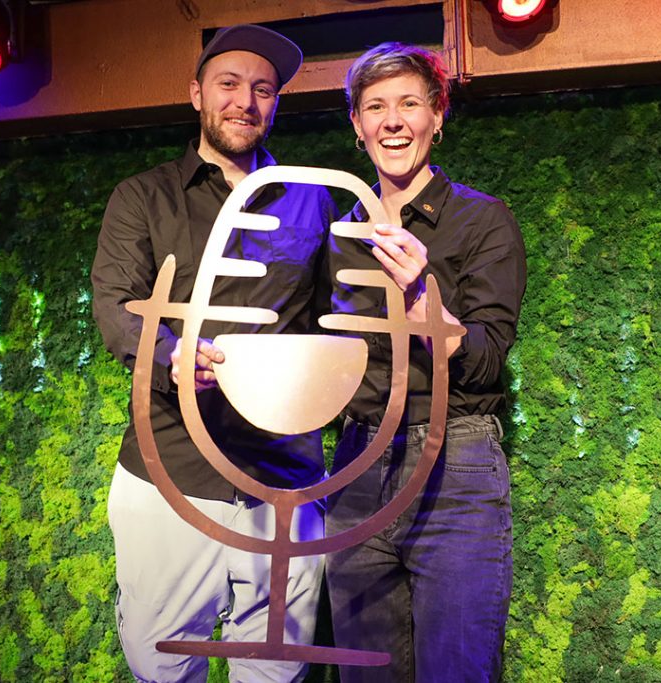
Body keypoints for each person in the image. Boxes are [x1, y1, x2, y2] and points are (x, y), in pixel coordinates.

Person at [91, 24, 335, 683]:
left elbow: (328, 321)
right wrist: (168, 353)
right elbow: (115, 305)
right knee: (164, 663)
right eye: (228, 84)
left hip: (282, 473)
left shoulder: (310, 199)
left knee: (276, 667)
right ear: (196, 92)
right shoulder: (143, 197)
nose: (245, 101)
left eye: (263, 89)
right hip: (170, 468)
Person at [324, 43, 527, 682]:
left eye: (410, 103)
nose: (393, 120)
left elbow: (489, 358)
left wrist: (421, 297)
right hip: (357, 470)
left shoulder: (480, 220)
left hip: (455, 467)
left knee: (459, 671)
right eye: (375, 106)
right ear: (356, 126)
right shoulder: (339, 235)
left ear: (437, 117)